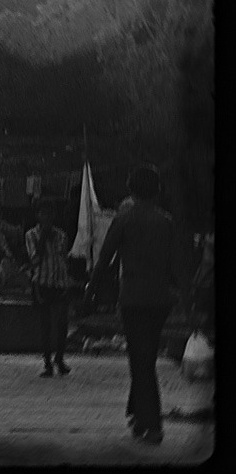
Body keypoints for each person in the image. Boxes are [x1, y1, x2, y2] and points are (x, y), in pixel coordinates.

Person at [86, 165, 180, 445]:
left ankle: (152, 423)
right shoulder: (166, 222)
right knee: (145, 356)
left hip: (134, 298)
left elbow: (105, 258)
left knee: (141, 360)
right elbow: (177, 264)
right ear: (157, 190)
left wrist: (91, 287)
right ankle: (139, 414)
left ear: (131, 190)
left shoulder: (124, 220)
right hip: (160, 299)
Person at [25, 199, 73, 378]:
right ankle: (47, 362)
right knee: (45, 325)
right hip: (42, 284)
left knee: (62, 324)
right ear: (38, 216)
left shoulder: (61, 235)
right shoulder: (31, 235)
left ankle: (59, 359)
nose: (46, 217)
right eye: (43, 213)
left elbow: (63, 260)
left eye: (50, 214)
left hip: (60, 283)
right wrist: (43, 238)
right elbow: (35, 260)